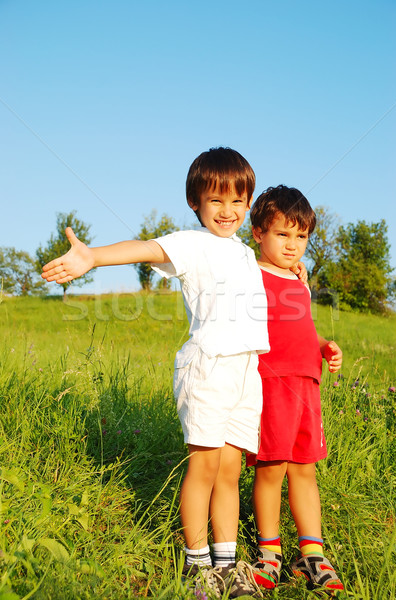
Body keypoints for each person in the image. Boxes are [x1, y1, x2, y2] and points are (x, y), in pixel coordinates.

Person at [42, 148, 305, 598]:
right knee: (203, 467)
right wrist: (93, 258)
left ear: (249, 203)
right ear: (195, 203)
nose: (228, 211)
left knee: (229, 471)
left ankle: (226, 564)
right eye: (216, 201)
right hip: (208, 367)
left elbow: (269, 270)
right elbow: (145, 248)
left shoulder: (244, 253)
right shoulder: (190, 243)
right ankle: (197, 564)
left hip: (247, 372)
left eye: (238, 201)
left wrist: (294, 269)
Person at [247, 185, 344, 594]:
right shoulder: (250, 273)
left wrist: (324, 347)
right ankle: (269, 554)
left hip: (307, 384)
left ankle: (312, 555)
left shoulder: (300, 281)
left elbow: (305, 328)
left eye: (300, 236)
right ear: (258, 234)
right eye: (282, 234)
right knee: (272, 467)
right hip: (271, 382)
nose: (292, 245)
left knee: (305, 468)